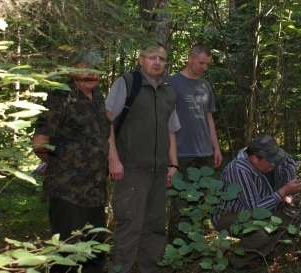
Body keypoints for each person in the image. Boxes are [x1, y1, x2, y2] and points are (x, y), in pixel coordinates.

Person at [106, 44, 181, 273]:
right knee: (130, 225)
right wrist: (113, 159)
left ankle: (150, 268)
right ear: (141, 59)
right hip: (131, 169)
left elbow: (171, 130)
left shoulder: (168, 91)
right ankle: (121, 269)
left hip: (159, 171)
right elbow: (106, 121)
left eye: (162, 58)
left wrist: (173, 164)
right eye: (152, 57)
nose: (157, 62)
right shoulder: (128, 83)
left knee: (156, 226)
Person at [32, 50, 109, 273]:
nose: (91, 76)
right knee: (67, 253)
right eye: (85, 70)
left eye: (94, 71)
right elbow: (40, 142)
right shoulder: (60, 96)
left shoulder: (97, 97)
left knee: (94, 251)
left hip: (95, 190)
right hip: (67, 191)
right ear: (74, 70)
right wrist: (61, 163)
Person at [211, 135, 301, 268]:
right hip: (229, 215)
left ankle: (264, 254)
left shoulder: (266, 165)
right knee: (262, 234)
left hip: (259, 212)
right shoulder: (239, 169)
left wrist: (289, 194)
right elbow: (254, 211)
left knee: (297, 219)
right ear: (254, 158)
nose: (274, 164)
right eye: (270, 161)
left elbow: (287, 162)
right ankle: (234, 259)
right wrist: (283, 191)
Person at [168, 43, 222, 240]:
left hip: (204, 153)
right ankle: (175, 246)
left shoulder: (205, 85)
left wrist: (216, 147)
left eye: (207, 64)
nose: (204, 67)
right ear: (190, 59)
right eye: (201, 63)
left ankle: (196, 245)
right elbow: (165, 118)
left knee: (202, 202)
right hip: (181, 153)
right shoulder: (172, 82)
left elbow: (208, 118)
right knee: (179, 205)